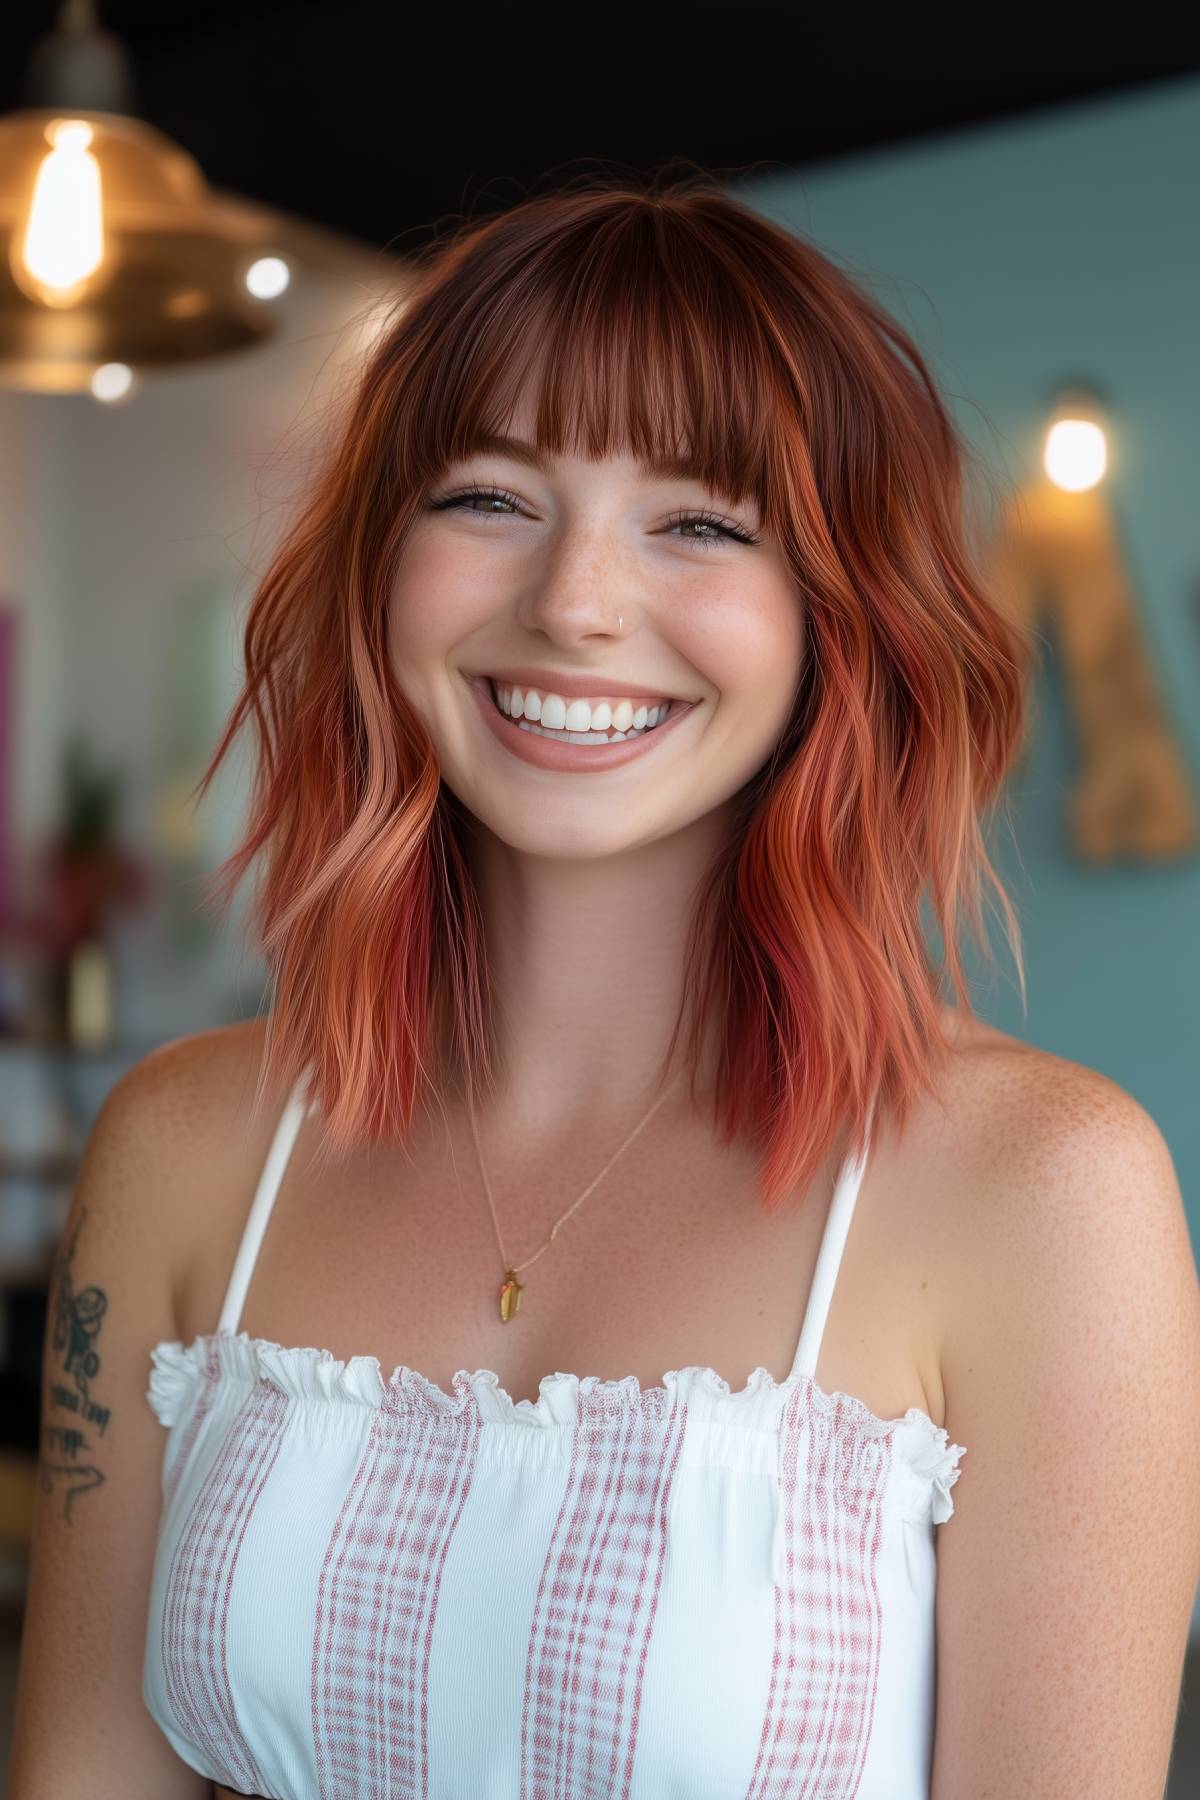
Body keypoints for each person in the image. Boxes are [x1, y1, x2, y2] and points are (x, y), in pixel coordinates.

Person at [10, 173, 1199, 1800]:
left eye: (701, 523)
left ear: (838, 620)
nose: (574, 603)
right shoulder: (188, 1142)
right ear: (378, 566)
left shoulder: (1047, 1190)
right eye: (488, 496)